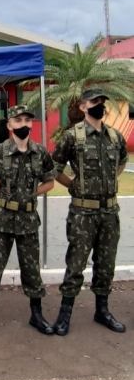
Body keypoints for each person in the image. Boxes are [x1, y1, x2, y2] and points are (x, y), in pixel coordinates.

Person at [51, 88, 128, 336]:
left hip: (109, 213)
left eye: (103, 102)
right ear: (83, 107)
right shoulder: (73, 136)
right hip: (82, 214)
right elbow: (54, 168)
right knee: (76, 265)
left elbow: (123, 161)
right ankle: (65, 315)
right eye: (95, 102)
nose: (100, 105)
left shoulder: (115, 137)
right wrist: (73, 185)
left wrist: (109, 181)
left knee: (105, 265)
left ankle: (102, 311)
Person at [0, 105, 56, 336]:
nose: (23, 124)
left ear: (32, 124)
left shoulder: (41, 152)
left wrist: (33, 194)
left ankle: (37, 314)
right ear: (9, 125)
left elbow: (50, 182)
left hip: (28, 219)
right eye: (18, 120)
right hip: (1, 219)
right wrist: (2, 196)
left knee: (31, 270)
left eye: (27, 120)